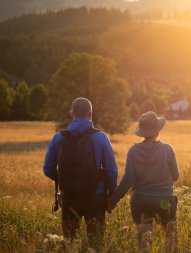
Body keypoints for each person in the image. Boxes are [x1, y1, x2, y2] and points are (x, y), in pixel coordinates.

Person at [43, 97, 118, 250]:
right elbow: (111, 170)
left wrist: (66, 179)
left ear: (71, 113)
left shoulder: (58, 137)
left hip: (70, 197)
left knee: (70, 244)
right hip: (96, 198)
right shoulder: (101, 137)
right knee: (96, 243)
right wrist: (112, 196)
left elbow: (48, 169)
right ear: (90, 114)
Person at [108, 111, 180, 252]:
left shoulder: (133, 151)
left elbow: (128, 179)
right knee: (170, 239)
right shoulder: (167, 149)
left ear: (142, 132)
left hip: (141, 201)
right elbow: (176, 176)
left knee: (144, 243)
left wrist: (113, 200)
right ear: (157, 131)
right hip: (164, 201)